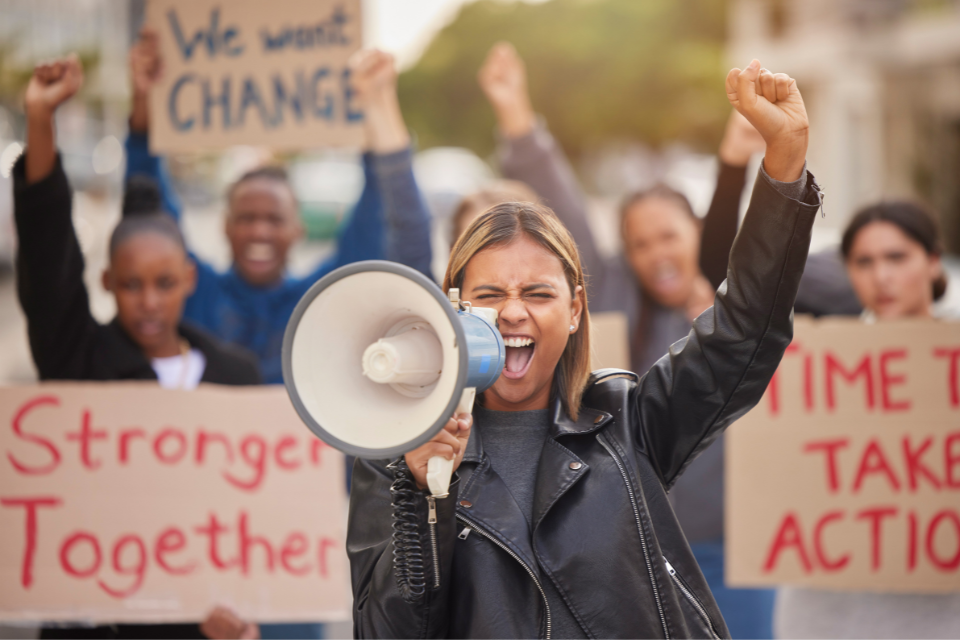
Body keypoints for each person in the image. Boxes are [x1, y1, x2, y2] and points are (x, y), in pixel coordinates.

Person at [347, 59, 823, 638]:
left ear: (574, 311)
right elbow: (383, 629)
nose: (514, 311)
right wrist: (420, 495)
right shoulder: (395, 456)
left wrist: (785, 163)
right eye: (490, 293)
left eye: (538, 293)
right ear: (455, 308)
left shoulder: (627, 423)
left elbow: (745, 328)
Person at [479, 42, 777, 637]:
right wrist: (517, 115)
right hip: (630, 547)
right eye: (639, 244)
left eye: (669, 236)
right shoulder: (612, 301)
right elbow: (563, 210)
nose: (656, 254)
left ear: (695, 233)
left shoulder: (720, 305)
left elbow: (742, 271)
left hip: (734, 548)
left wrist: (735, 162)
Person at [14, 55, 261, 640]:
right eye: (131, 285)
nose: (148, 301)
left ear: (190, 280)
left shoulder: (236, 378)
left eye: (164, 283)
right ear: (106, 284)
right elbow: (48, 258)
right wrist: (40, 121)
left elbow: (260, 523)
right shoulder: (78, 360)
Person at [126, 30, 433, 383]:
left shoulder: (322, 301)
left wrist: (373, 115)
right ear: (225, 226)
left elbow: (378, 218)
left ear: (297, 229)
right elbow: (150, 217)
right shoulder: (193, 292)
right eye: (247, 218)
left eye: (274, 219)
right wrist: (144, 113)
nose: (259, 230)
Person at [774, 201, 959, 640]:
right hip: (828, 614)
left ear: (933, 262)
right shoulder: (814, 368)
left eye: (897, 257)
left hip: (939, 612)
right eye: (865, 262)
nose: (882, 277)